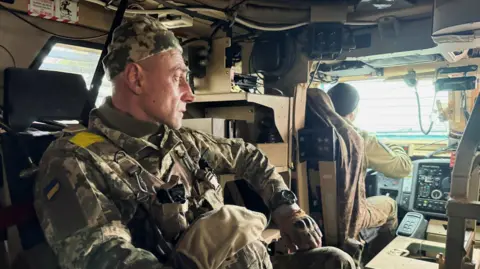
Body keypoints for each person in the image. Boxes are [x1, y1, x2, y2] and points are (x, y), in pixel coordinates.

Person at [33, 16, 356, 269]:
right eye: (177, 77)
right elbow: (100, 257)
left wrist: (288, 210)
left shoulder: (180, 141)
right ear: (135, 78)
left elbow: (249, 157)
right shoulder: (74, 160)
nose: (189, 93)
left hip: (254, 260)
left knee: (336, 261)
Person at [326, 83, 413, 252]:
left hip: (312, 213)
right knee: (390, 205)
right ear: (353, 112)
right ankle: (376, 261)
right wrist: (393, 146)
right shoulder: (360, 138)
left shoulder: (303, 129)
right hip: (349, 216)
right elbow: (403, 168)